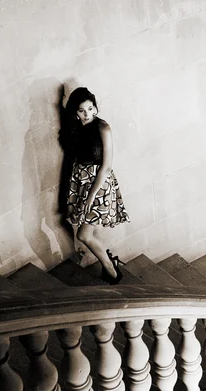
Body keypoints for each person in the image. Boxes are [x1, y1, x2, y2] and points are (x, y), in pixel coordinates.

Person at [63, 87, 130, 284]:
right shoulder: (76, 128)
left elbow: (107, 166)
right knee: (88, 232)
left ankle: (111, 269)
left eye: (91, 109)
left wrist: (90, 197)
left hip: (99, 185)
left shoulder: (103, 128)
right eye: (82, 110)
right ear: (75, 111)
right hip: (81, 182)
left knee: (84, 235)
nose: (88, 114)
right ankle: (110, 261)